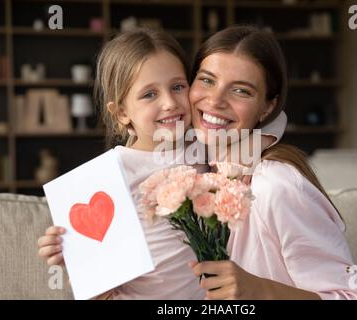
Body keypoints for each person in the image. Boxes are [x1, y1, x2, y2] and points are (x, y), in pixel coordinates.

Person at [36, 28, 285, 299]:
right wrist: (76, 254)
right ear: (121, 112)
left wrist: (244, 157)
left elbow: (277, 119)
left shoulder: (204, 144)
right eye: (149, 95)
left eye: (178, 87)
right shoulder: (105, 176)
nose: (169, 103)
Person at [188, 26, 357, 300]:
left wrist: (259, 289)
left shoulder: (274, 186)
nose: (215, 100)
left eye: (241, 90)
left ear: (267, 107)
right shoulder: (194, 173)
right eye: (206, 80)